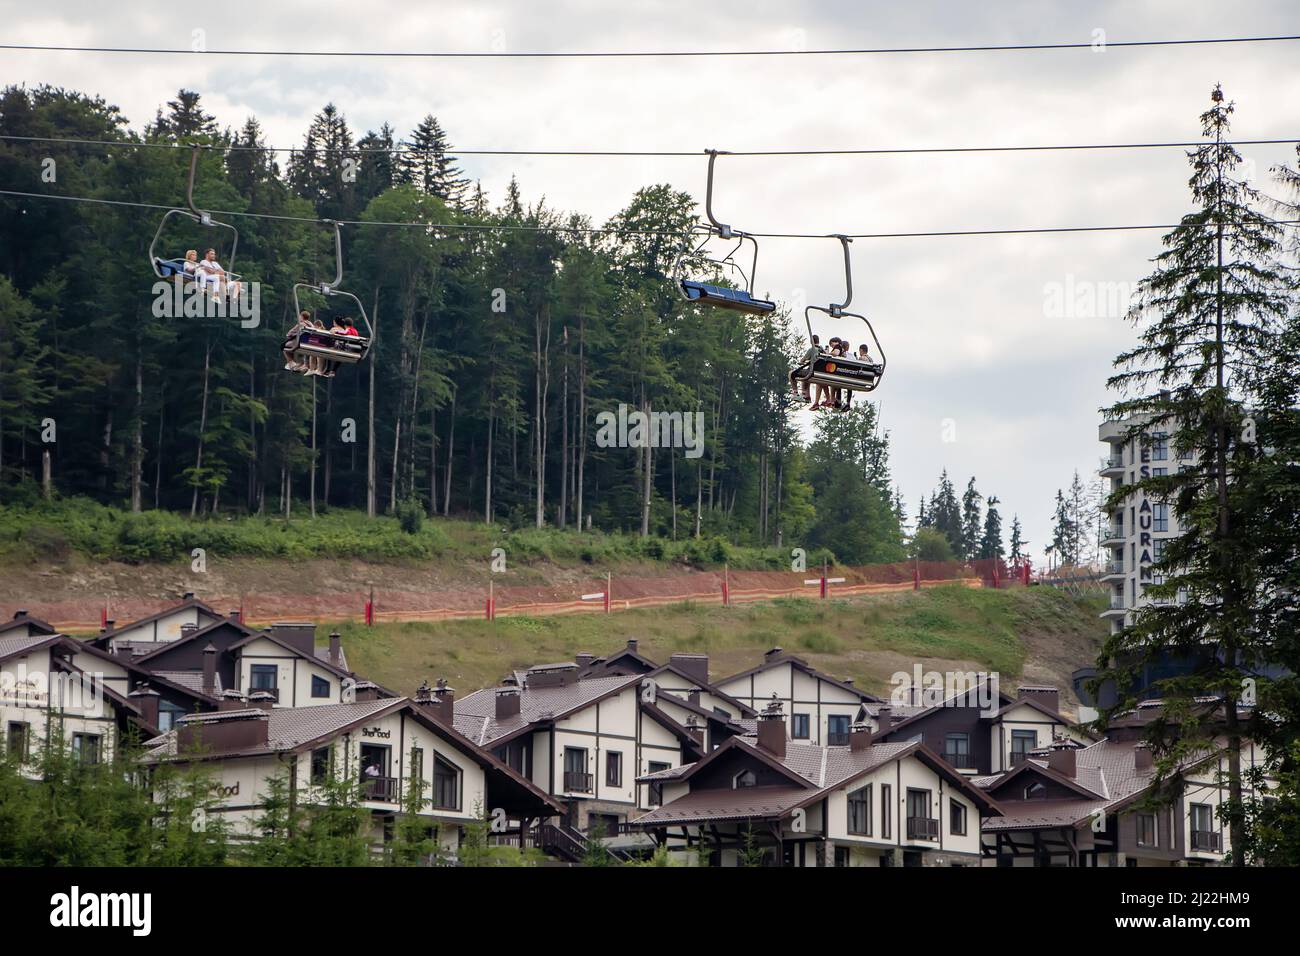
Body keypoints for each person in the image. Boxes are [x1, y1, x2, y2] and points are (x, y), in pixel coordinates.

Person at [790, 334, 819, 402]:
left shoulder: (812, 349)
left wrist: (802, 362)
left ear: (811, 341)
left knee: (791, 373)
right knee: (806, 374)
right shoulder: (822, 350)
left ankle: (795, 393)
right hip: (819, 373)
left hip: (812, 372)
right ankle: (806, 395)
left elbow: (802, 360)